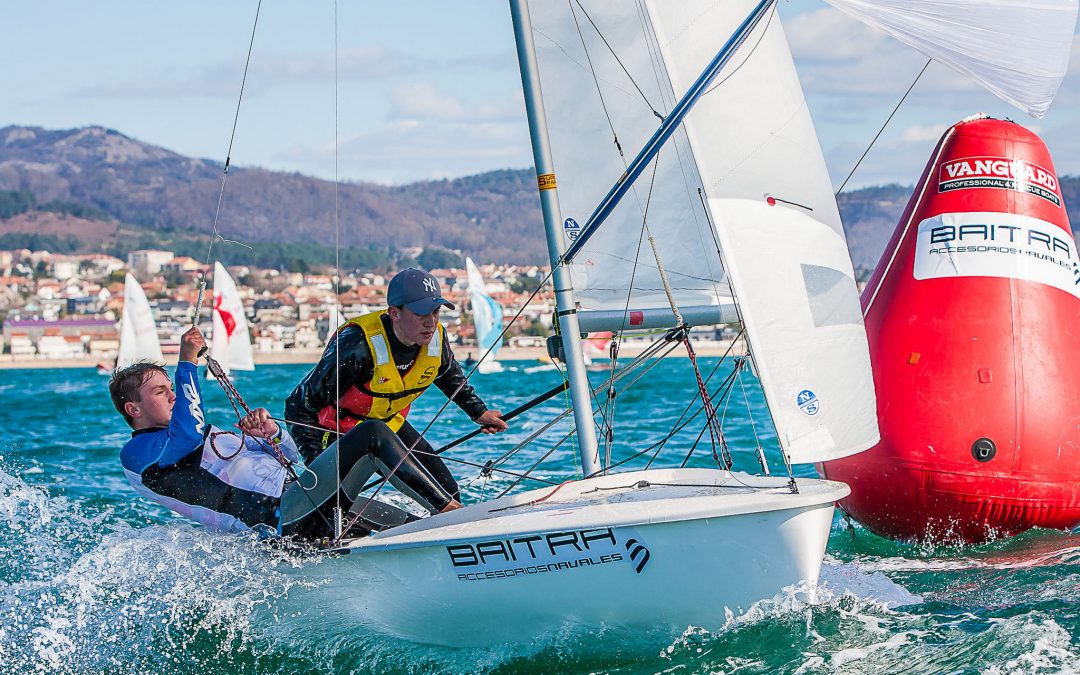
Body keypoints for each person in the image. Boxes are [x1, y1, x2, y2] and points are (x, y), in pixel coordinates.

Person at [112, 325, 460, 541]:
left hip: (308, 501)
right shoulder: (141, 455)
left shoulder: (214, 437)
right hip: (282, 520)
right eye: (161, 392)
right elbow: (188, 433)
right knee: (372, 433)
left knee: (415, 529)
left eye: (172, 387)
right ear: (134, 409)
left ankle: (453, 523)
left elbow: (292, 461)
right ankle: (449, 509)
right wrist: (187, 364)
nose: (173, 394)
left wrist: (272, 434)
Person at [284, 268, 508, 504]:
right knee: (370, 449)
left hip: (388, 425)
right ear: (395, 313)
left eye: (435, 311)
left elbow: (450, 377)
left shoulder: (436, 339)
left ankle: (445, 526)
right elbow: (298, 406)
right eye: (421, 313)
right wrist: (317, 466)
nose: (430, 321)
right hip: (337, 433)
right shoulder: (357, 344)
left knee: (447, 490)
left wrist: (479, 412)